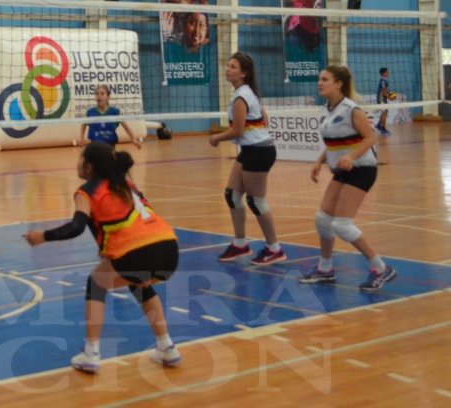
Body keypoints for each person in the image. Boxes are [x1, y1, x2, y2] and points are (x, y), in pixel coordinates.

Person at [23, 143, 181, 374]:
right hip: (169, 249)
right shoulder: (126, 185)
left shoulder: (87, 190)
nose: (77, 163)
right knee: (138, 283)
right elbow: (132, 218)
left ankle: (91, 351)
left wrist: (43, 236)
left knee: (96, 283)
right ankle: (166, 346)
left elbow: (77, 227)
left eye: (80, 159)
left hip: (139, 252)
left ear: (89, 167)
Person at [300, 67, 396, 291]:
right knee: (322, 220)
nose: (319, 83)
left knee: (342, 226)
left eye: (324, 79)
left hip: (362, 169)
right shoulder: (326, 110)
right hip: (341, 170)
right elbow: (334, 143)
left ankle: (381, 268)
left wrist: (352, 156)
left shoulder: (352, 110)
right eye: (319, 79)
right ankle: (325, 270)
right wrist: (319, 161)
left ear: (338, 84)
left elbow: (370, 138)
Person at [208, 53, 285, 265]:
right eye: (228, 65)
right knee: (232, 195)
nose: (227, 69)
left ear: (243, 73)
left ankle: (274, 248)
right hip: (251, 149)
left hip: (259, 151)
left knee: (256, 200)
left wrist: (217, 138)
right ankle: (240, 244)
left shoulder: (242, 96)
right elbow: (262, 118)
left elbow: (237, 130)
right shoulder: (245, 93)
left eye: (232, 66)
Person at [80, 85, 142, 150]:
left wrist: (134, 139)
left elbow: (126, 127)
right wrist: (81, 137)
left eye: (102, 94)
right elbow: (83, 124)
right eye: (97, 94)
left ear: (108, 97)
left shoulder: (115, 112)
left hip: (110, 145)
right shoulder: (90, 112)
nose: (99, 96)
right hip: (95, 146)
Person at [375, 67, 392, 135]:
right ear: (383, 73)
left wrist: (390, 94)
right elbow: (383, 91)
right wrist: (389, 97)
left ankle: (379, 124)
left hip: (384, 99)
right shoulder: (382, 80)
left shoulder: (385, 80)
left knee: (385, 111)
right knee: (385, 112)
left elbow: (386, 91)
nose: (388, 73)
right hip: (381, 99)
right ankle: (383, 129)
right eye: (387, 72)